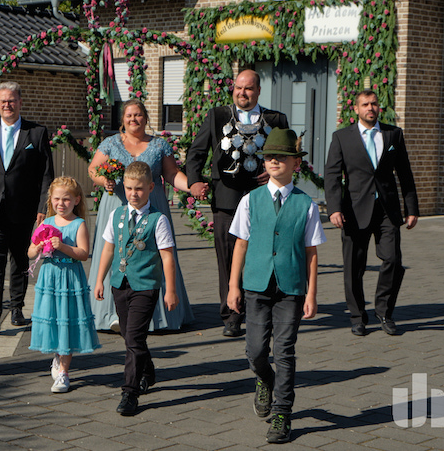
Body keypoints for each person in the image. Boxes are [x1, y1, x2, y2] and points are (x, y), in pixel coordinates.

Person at [227, 128, 325, 443]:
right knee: (255, 351)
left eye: (281, 157)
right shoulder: (250, 200)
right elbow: (240, 245)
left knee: (284, 350)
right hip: (256, 284)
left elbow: (311, 253)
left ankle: (283, 413)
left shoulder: (305, 204)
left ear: (296, 163)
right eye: (269, 157)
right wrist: (233, 286)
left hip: (291, 288)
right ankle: (264, 380)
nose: (274, 162)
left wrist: (311, 293)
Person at [186, 69, 289, 337]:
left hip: (263, 197)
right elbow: (196, 152)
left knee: (266, 253)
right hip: (226, 198)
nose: (242, 93)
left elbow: (288, 155)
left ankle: (261, 307)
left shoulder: (275, 119)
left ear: (258, 91)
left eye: (249, 89)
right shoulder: (217, 115)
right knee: (228, 257)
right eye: (238, 88)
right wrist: (194, 181)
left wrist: (279, 171)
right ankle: (231, 314)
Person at [87, 99, 193, 332]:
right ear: (122, 120)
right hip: (116, 202)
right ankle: (111, 313)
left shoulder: (160, 145)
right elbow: (93, 168)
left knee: (154, 253)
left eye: (138, 115)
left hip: (151, 204)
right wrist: (102, 180)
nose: (133, 119)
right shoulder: (110, 143)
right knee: (113, 250)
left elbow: (172, 174)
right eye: (129, 116)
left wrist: (191, 187)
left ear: (146, 118)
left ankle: (157, 313)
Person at [324, 90, 419, 337]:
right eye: (365, 104)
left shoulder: (393, 134)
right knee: (354, 267)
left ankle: (384, 312)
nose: (370, 108)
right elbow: (332, 177)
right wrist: (334, 208)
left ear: (379, 107)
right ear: (356, 109)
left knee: (393, 261)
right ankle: (357, 317)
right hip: (354, 211)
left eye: (374, 104)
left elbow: (405, 174)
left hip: (387, 210)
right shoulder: (342, 138)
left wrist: (412, 208)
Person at [0, 81, 54, 331]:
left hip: (24, 211)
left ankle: (16, 308)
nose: (8, 104)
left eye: (12, 100)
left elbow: (46, 175)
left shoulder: (36, 133)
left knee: (20, 261)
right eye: (3, 100)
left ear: (20, 102)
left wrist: (42, 207)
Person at [94, 161, 179, 416]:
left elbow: (167, 257)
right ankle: (147, 369)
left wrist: (170, 290)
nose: (133, 193)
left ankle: (129, 393)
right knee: (130, 336)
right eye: (129, 188)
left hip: (146, 285)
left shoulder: (158, 220)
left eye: (139, 189)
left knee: (133, 339)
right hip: (119, 283)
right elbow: (108, 248)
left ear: (151, 188)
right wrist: (99, 279)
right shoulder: (117, 215)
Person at [28, 176, 101, 393]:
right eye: (57, 199)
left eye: (67, 200)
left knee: (67, 321)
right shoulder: (46, 223)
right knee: (53, 319)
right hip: (49, 277)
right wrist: (39, 247)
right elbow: (30, 251)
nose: (61, 204)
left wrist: (63, 246)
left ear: (77, 200)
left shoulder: (78, 224)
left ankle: (63, 373)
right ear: (51, 199)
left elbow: (83, 253)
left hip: (70, 277)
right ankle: (57, 356)